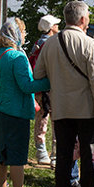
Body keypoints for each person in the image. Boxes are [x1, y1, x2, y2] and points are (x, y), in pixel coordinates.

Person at [31, 0, 94, 187]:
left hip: (61, 109)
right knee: (89, 159)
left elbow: (38, 75)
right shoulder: (90, 44)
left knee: (64, 158)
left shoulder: (49, 44)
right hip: (87, 111)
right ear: (83, 19)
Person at [0, 17, 50, 187]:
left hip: (0, 110)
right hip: (17, 112)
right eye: (22, 32)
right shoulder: (18, 57)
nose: (24, 36)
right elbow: (26, 86)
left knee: (1, 153)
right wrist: (49, 82)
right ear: (15, 34)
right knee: (17, 157)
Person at [29, 14, 60, 165]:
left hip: (40, 88)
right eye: (56, 25)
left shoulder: (37, 43)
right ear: (51, 27)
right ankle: (55, 153)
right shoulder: (53, 44)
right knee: (56, 119)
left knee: (41, 119)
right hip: (53, 86)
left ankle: (41, 151)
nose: (58, 27)